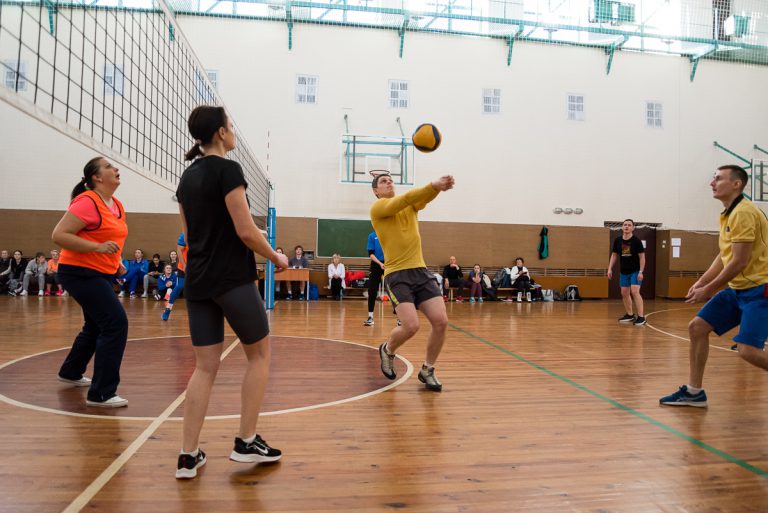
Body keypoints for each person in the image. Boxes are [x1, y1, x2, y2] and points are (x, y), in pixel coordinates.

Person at [175, 105, 289, 479]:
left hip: (198, 280)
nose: (233, 131)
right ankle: (246, 441)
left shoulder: (187, 177)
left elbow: (190, 235)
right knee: (260, 355)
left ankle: (188, 455)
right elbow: (244, 230)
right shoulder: (228, 170)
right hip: (231, 278)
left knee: (204, 367)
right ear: (221, 133)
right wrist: (275, 256)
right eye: (231, 126)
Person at [660, 165, 768, 408]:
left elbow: (739, 261)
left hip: (760, 291)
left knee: (748, 351)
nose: (712, 183)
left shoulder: (744, 212)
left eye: (718, 179)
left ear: (736, 184)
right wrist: (702, 281)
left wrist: (709, 289)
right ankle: (694, 392)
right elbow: (724, 255)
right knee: (697, 327)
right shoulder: (729, 213)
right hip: (738, 289)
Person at [52, 156, 129, 408]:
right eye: (108, 167)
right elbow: (59, 235)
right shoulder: (87, 201)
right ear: (96, 177)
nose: (115, 169)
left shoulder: (116, 204)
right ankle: (101, 393)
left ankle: (71, 371)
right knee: (115, 323)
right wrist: (97, 247)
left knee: (96, 325)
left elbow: (110, 239)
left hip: (101, 272)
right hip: (79, 272)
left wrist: (116, 261)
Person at [371, 172, 454, 392]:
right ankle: (388, 350)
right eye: (383, 181)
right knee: (411, 326)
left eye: (390, 180)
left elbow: (422, 198)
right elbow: (407, 199)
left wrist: (437, 189)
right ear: (376, 191)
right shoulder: (378, 208)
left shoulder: (410, 206)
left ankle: (428, 369)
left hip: (420, 271)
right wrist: (433, 184)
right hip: (397, 274)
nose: (389, 182)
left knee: (441, 322)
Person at [608, 219, 646, 325]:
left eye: (629, 225)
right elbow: (614, 255)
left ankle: (641, 317)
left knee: (635, 291)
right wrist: (610, 268)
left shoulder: (636, 241)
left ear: (633, 228)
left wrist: (641, 271)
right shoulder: (618, 241)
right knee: (624, 293)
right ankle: (630, 315)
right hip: (624, 271)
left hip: (635, 271)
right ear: (622, 227)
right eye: (625, 225)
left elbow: (642, 257)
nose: (626, 226)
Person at [161, 233, 187, 321]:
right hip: (184, 267)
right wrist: (184, 265)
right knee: (179, 287)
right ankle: (168, 309)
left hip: (198, 267)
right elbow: (179, 250)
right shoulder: (184, 235)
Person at [364, 231, 385, 326]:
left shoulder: (390, 233)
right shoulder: (372, 236)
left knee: (395, 290)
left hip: (389, 264)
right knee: (372, 290)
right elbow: (371, 254)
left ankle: (400, 319)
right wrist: (380, 263)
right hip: (376, 264)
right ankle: (370, 317)